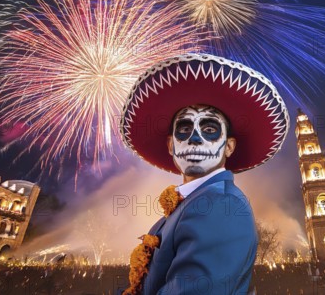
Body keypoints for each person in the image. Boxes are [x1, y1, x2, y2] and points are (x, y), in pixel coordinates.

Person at [120, 54, 289, 294]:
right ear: (171, 146)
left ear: (228, 146)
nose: (195, 138)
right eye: (185, 129)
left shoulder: (221, 205)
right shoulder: (185, 207)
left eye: (209, 129)